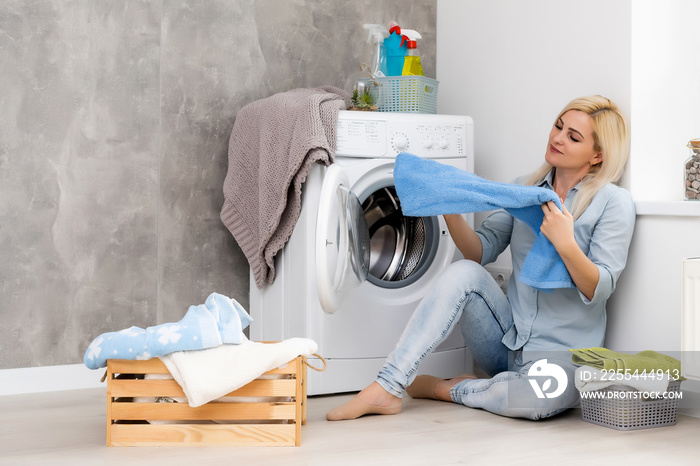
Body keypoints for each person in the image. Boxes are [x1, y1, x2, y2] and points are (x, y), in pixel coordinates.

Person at [326, 95, 636, 421]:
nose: (557, 138)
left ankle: (449, 389)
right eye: (558, 126)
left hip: (562, 359)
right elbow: (479, 252)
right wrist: (445, 206)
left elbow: (599, 288)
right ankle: (388, 385)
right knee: (463, 272)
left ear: (598, 155)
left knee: (535, 401)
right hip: (505, 342)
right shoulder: (524, 190)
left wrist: (566, 244)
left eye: (573, 137)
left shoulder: (613, 203)